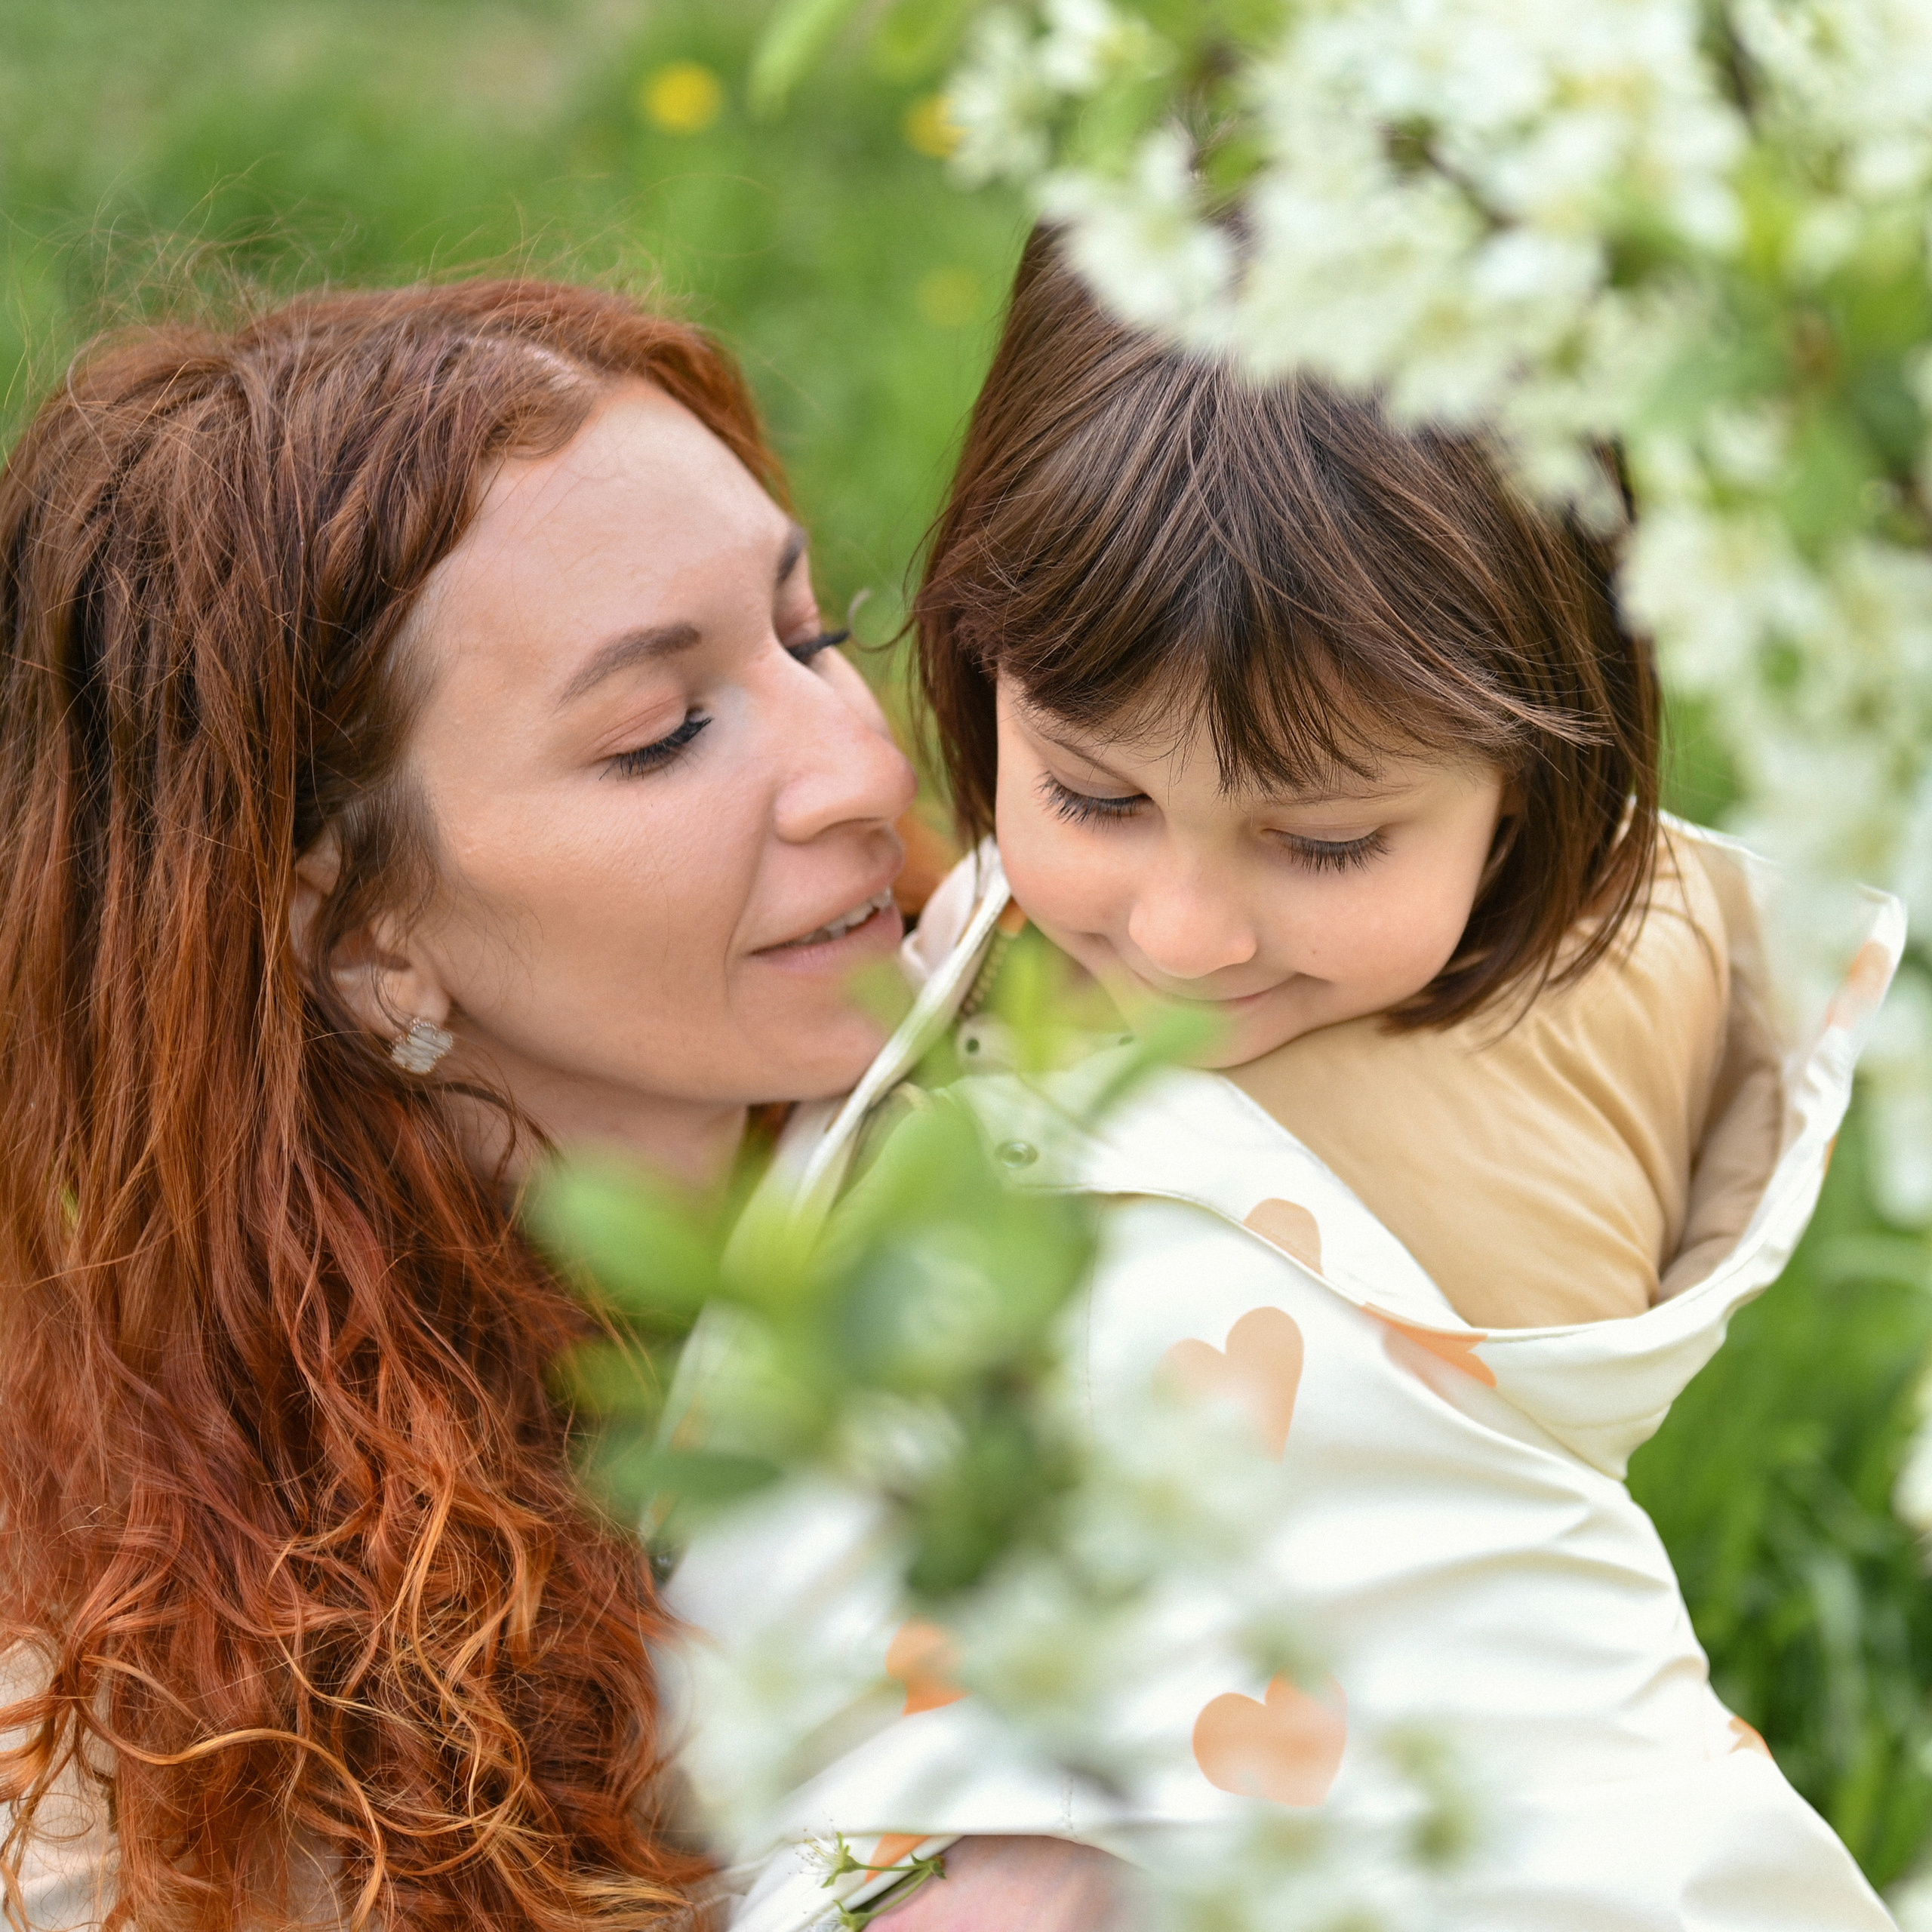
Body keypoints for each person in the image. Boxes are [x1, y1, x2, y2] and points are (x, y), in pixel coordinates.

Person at [672, 231, 1904, 1929]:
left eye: (1322, 842)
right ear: (972, 659)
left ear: (1537, 783)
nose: (1182, 935)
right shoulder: (996, 957)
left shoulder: (1545, 1080)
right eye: (1095, 797)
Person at [0, 278, 920, 1932]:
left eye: (811, 636)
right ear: (364, 941)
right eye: (664, 733)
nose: (867, 767)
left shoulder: (1124, 1109)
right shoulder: (149, 1759)